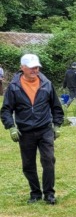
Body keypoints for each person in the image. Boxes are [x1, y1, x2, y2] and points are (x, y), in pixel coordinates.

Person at [1, 54, 64, 204]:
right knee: (28, 164)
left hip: (45, 129)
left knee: (48, 160)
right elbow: (6, 110)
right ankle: (35, 193)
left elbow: (56, 107)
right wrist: (11, 127)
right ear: (22, 68)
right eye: (31, 67)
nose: (34, 70)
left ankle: (49, 193)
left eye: (36, 67)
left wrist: (57, 125)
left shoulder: (46, 84)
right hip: (25, 131)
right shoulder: (14, 87)